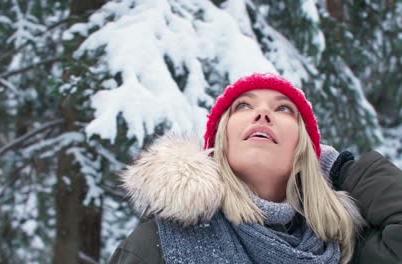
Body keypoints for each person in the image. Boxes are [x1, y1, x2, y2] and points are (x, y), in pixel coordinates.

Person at [109, 73, 402, 264]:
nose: (262, 113)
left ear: (304, 150)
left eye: (284, 109)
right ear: (220, 143)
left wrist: (341, 169)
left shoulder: (345, 251)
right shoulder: (156, 246)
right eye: (243, 106)